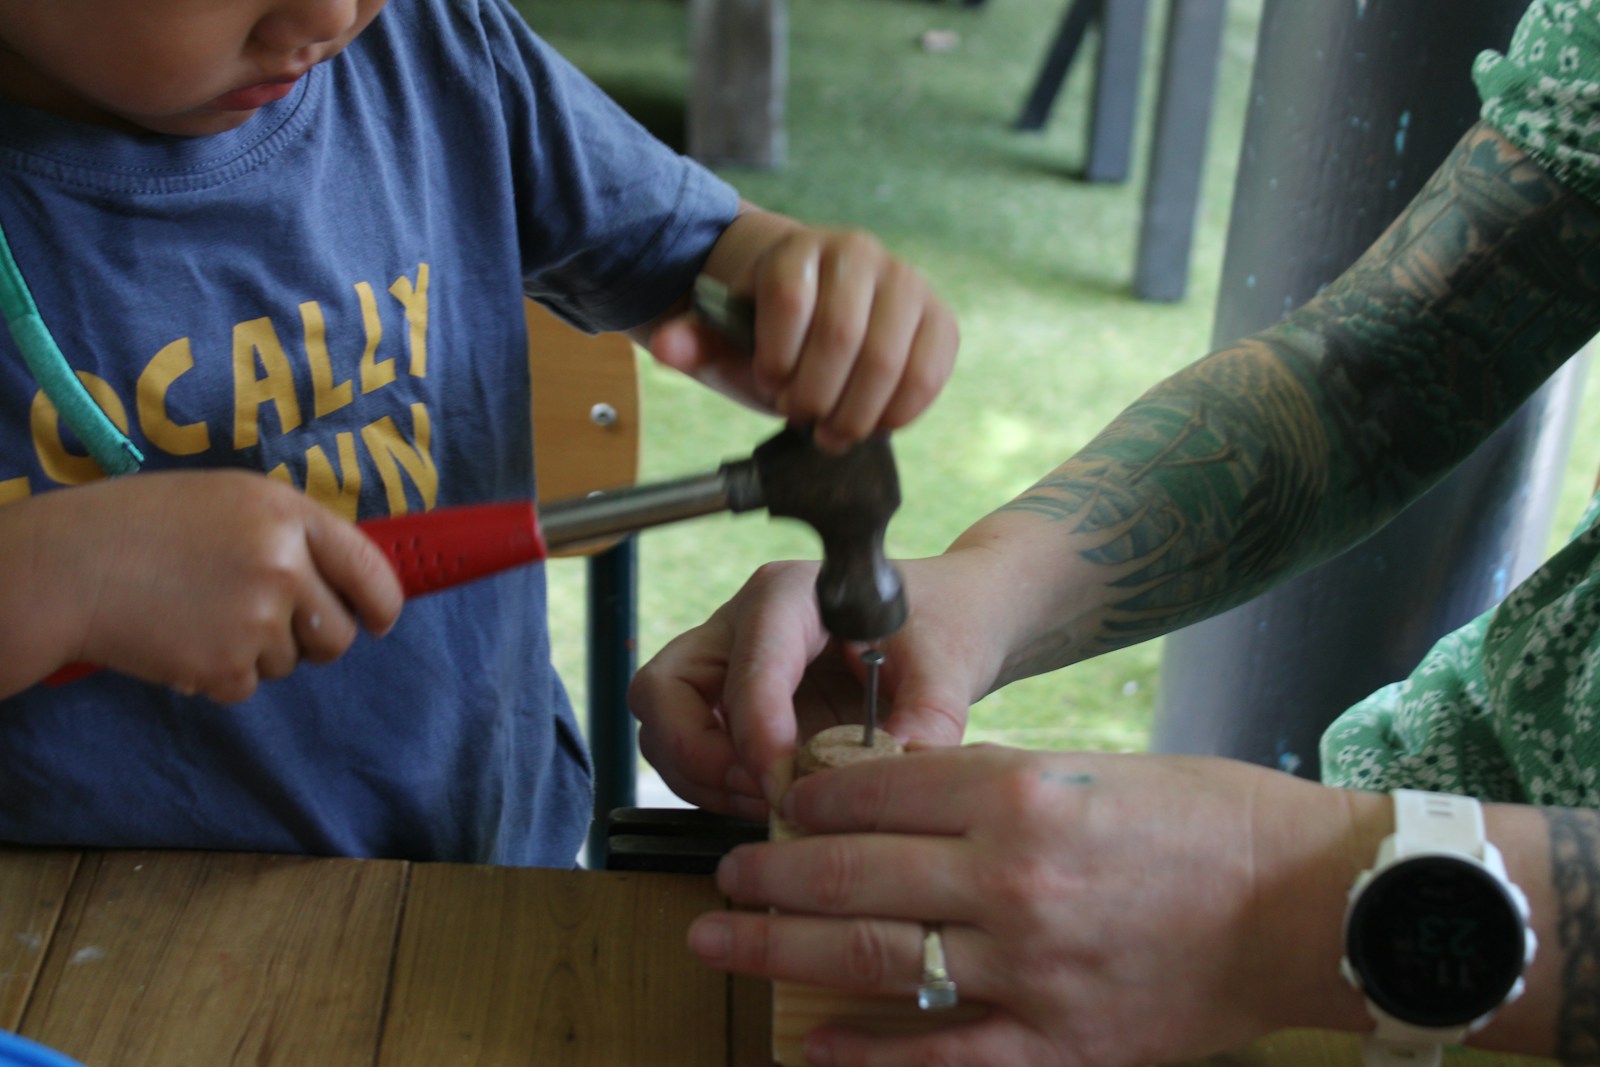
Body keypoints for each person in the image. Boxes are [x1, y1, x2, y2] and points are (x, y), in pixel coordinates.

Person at [629, 2, 1600, 1063]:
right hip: (1408, 846)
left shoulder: (1291, 910)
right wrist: (993, 590)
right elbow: (1382, 375)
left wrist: (1278, 905)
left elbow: (1282, 912)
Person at [0, 0, 957, 869]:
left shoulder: (434, 48)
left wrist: (798, 287)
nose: (329, 14)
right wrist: (64, 579)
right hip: (81, 948)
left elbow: (706, 255)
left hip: (489, 872)